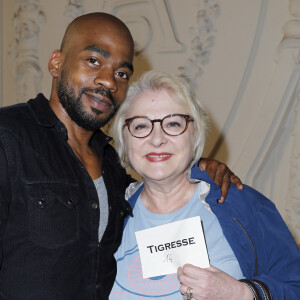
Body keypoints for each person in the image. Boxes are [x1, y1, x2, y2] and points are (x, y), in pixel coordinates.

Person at [0, 13, 243, 300]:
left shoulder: (113, 166)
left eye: (122, 73)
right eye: (94, 60)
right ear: (56, 62)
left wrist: (204, 167)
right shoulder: (8, 137)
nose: (109, 82)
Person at [109, 70, 300, 299]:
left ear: (195, 134)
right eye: (140, 126)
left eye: (173, 123)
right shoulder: (105, 215)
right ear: (124, 138)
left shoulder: (243, 205)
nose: (157, 139)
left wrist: (242, 293)